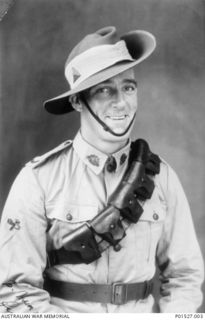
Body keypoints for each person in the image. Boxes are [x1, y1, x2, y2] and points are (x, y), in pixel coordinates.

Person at [0, 26, 204, 313]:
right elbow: (14, 292)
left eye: (128, 87)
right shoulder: (38, 180)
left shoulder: (162, 179)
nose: (121, 102)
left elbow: (185, 277)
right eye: (105, 90)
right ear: (76, 101)